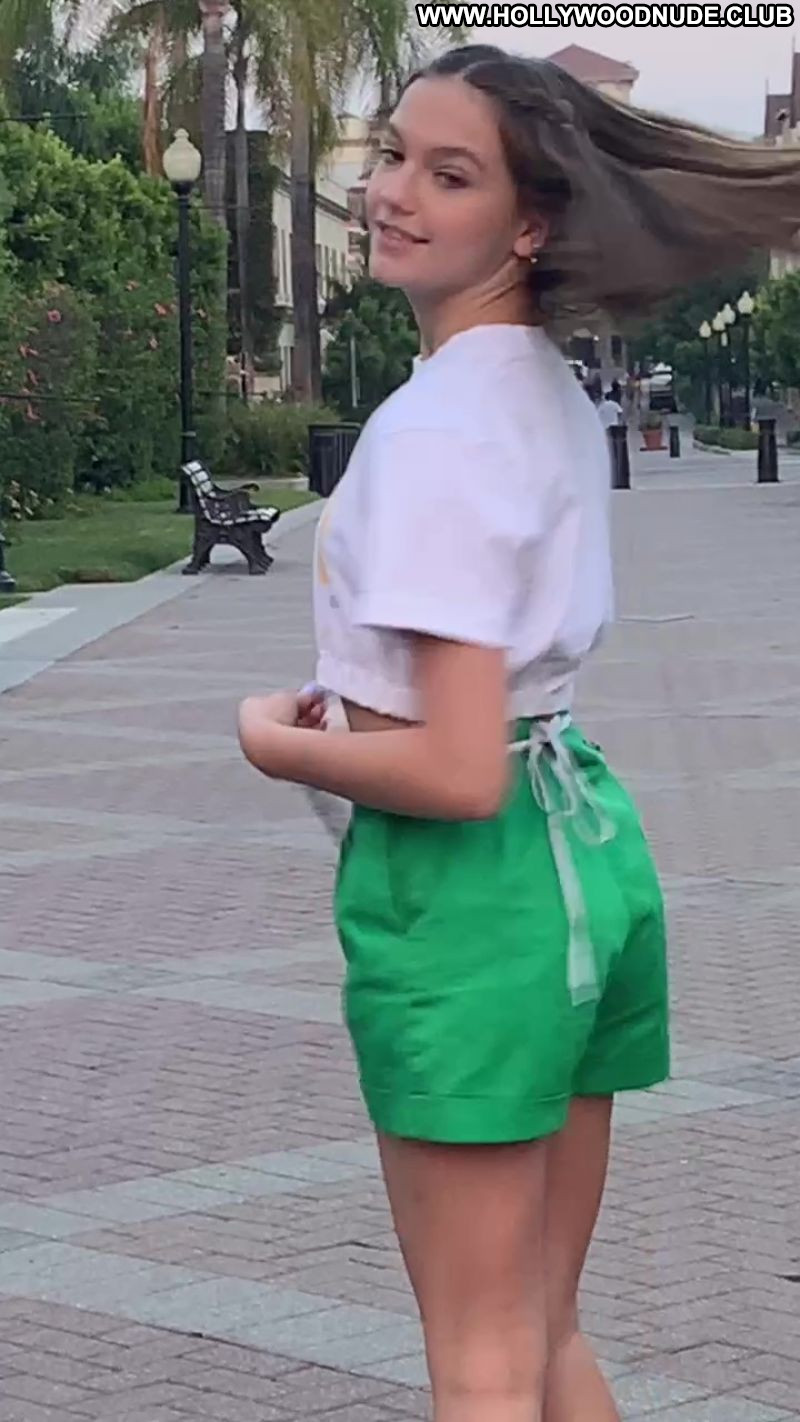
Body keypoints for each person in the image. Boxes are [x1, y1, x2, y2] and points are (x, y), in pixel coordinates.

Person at [237, 45, 800, 1422]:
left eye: (450, 175)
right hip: (577, 847)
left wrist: (275, 742)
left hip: (471, 893)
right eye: (393, 157)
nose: (392, 194)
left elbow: (450, 768)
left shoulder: (436, 428)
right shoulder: (544, 387)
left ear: (530, 225)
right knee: (542, 1332)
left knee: (481, 1359)